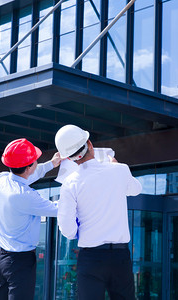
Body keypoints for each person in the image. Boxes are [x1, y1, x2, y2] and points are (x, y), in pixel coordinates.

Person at [55, 124, 142, 300]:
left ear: (71, 159)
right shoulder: (119, 170)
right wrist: (117, 166)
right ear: (90, 144)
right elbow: (136, 189)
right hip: (120, 256)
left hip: (91, 257)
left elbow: (67, 229)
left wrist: (79, 231)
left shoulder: (70, 183)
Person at [0, 138, 61, 300]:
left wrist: (51, 164)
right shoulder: (24, 196)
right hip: (19, 262)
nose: (37, 162)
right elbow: (59, 209)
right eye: (35, 160)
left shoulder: (1, 179)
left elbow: (26, 176)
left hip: (1, 260)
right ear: (29, 166)